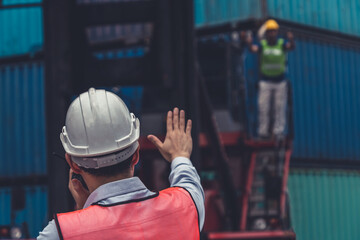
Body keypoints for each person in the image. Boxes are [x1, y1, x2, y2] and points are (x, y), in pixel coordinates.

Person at [37, 88, 204, 240]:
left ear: (73, 165)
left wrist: (84, 214)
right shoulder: (188, 205)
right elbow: (188, 180)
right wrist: (180, 155)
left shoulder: (60, 233)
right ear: (136, 155)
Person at [244, 19, 295, 139]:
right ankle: (263, 132)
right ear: (266, 33)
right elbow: (253, 49)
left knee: (279, 108)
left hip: (280, 82)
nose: (272, 34)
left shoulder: (281, 44)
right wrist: (249, 43)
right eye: (269, 32)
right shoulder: (263, 46)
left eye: (273, 31)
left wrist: (291, 39)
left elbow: (291, 47)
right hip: (265, 81)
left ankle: (278, 132)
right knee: (263, 108)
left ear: (277, 32)